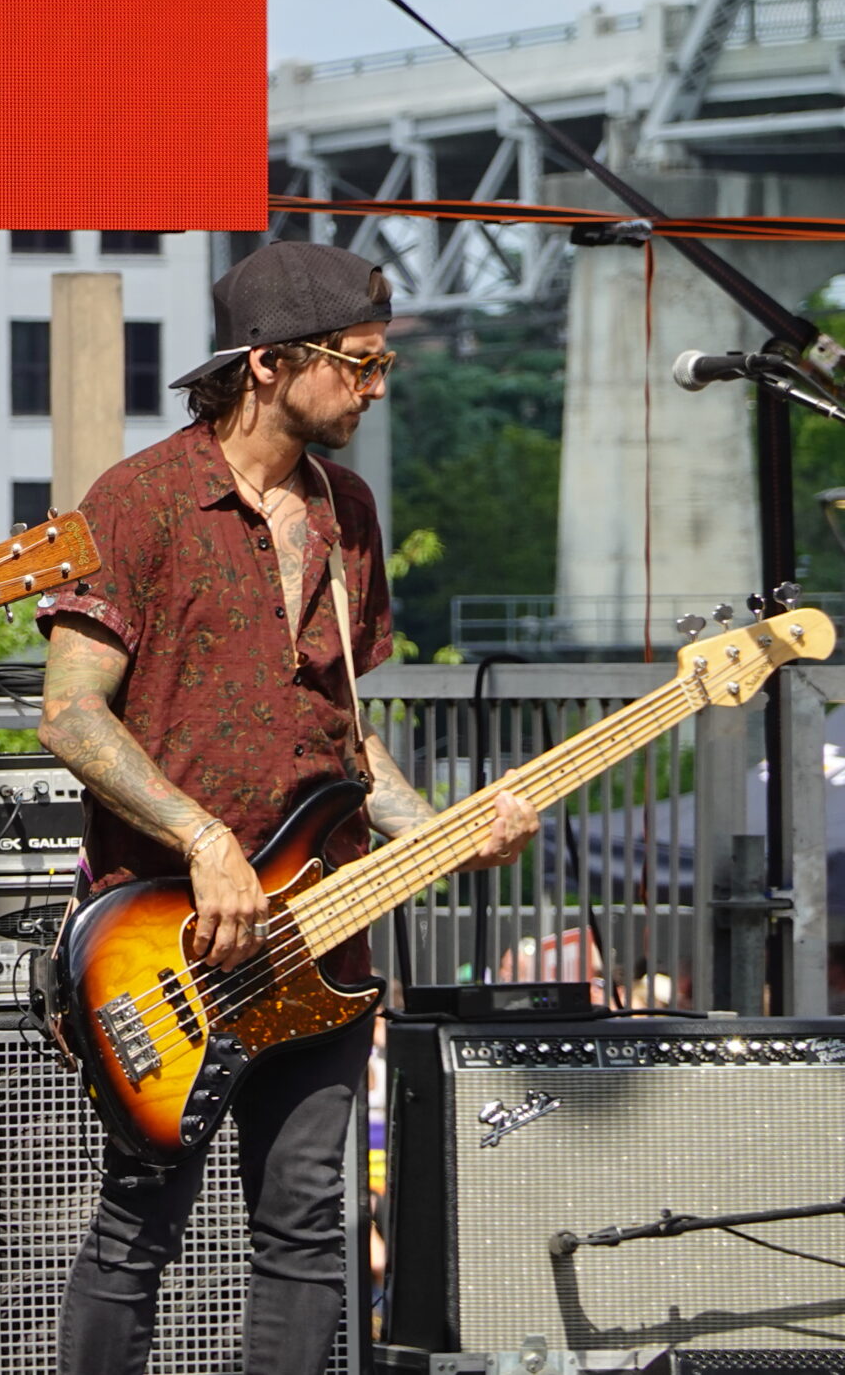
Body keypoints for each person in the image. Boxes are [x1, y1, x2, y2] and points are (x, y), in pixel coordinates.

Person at [35, 240, 536, 1375]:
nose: (374, 387)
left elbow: (343, 734)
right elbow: (68, 714)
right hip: (175, 935)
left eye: (381, 364)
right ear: (267, 363)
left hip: (322, 933)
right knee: (138, 1227)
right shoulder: (140, 499)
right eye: (359, 363)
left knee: (308, 1227)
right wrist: (203, 839)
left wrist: (442, 834)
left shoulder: (348, 509)